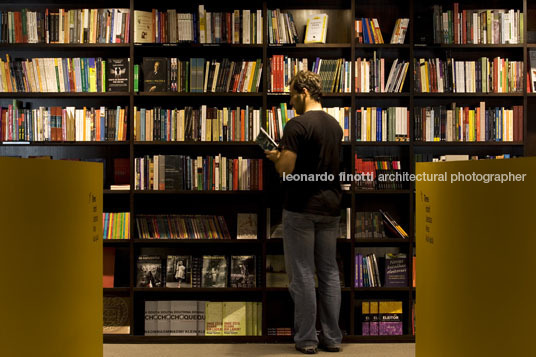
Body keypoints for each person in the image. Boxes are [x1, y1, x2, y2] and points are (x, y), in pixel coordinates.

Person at [265, 70, 343, 354]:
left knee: (302, 274)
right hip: (331, 207)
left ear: (304, 93)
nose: (290, 101)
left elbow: (286, 169)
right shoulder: (335, 126)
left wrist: (275, 157)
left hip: (301, 208)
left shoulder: (296, 125)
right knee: (329, 272)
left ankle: (308, 339)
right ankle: (333, 339)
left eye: (292, 95)